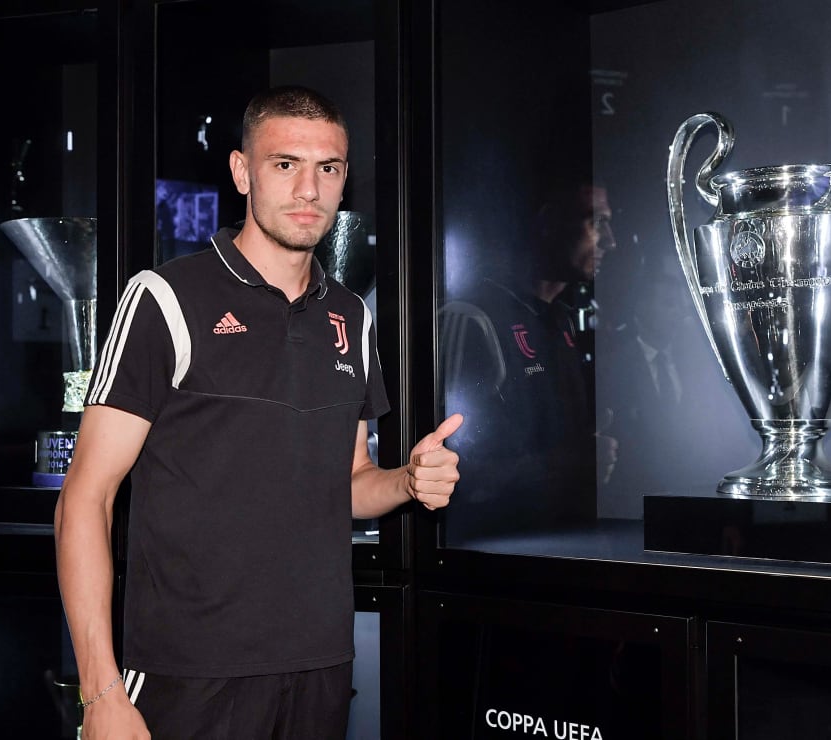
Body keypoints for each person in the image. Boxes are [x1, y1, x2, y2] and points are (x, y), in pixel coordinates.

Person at [54, 85, 462, 739]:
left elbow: (349, 483)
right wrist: (100, 690)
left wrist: (408, 482)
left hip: (319, 665)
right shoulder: (165, 298)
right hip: (188, 672)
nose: (309, 189)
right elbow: (85, 498)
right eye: (285, 164)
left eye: (328, 168)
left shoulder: (351, 316)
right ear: (243, 172)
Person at [438, 182, 616, 541]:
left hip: (562, 544)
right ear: (549, 222)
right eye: (595, 222)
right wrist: (569, 462)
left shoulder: (561, 319)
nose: (610, 241)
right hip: (494, 551)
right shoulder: (473, 317)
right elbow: (450, 471)